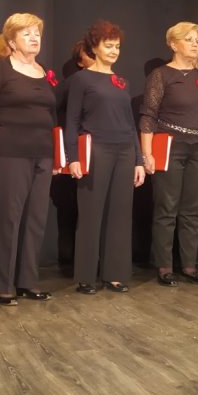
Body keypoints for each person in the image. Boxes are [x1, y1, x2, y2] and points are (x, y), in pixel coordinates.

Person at [0, 13, 57, 305]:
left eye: (37, 33)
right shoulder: (0, 71)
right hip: (9, 153)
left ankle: (28, 281)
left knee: (36, 219)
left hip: (43, 154)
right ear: (11, 41)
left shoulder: (43, 72)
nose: (34, 38)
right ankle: (3, 284)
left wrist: (56, 155)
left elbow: (52, 117)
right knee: (9, 219)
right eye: (26, 33)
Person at [64, 20, 146, 294]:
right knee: (91, 213)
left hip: (124, 151)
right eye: (108, 46)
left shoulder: (122, 82)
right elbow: (72, 121)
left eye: (117, 47)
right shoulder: (82, 79)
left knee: (120, 214)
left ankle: (115, 274)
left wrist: (138, 160)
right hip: (96, 150)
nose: (114, 51)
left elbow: (130, 123)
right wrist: (73, 157)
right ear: (95, 47)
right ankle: (86, 276)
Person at [139, 22, 198, 287]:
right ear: (173, 44)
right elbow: (148, 116)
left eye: (197, 40)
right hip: (170, 146)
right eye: (189, 39)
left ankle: (189, 265)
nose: (195, 43)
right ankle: (164, 266)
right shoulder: (161, 75)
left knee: (193, 209)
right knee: (167, 208)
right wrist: (147, 153)